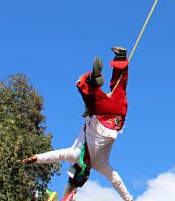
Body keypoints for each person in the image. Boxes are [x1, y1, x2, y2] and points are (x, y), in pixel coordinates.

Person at [23, 47, 134, 201]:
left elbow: (115, 179)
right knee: (85, 87)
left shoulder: (99, 164)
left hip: (117, 117)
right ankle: (93, 82)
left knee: (120, 86)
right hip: (104, 118)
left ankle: (120, 59)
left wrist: (128, 199)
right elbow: (58, 155)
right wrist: (37, 158)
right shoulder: (80, 156)